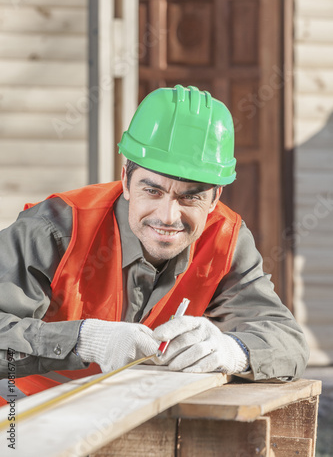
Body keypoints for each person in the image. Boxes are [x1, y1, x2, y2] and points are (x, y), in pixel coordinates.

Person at [0, 85, 309, 404]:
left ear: (215, 197)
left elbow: (287, 340)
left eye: (190, 196)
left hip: (137, 420)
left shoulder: (226, 240)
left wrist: (233, 351)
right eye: (153, 191)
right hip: (21, 418)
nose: (168, 217)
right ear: (126, 181)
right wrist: (83, 341)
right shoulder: (54, 229)